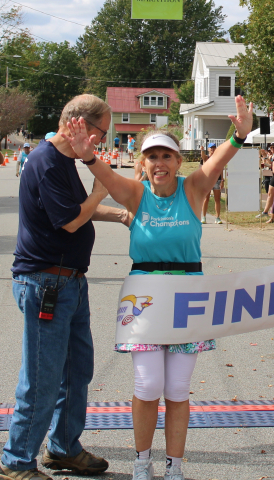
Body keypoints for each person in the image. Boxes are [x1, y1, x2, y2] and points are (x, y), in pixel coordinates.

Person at [61, 96, 253, 480]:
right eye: (152, 157)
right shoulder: (135, 194)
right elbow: (108, 179)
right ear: (143, 164)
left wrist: (240, 135)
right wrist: (87, 157)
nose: (160, 163)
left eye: (167, 156)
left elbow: (220, 160)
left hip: (188, 298)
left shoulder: (194, 189)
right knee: (148, 385)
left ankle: (175, 466)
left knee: (178, 389)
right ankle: (141, 461)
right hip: (144, 298)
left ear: (178, 162)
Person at [1, 94, 131, 480]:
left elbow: (80, 211)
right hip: (46, 283)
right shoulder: (45, 162)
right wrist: (99, 192)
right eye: (101, 133)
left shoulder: (64, 161)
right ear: (78, 125)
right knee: (42, 377)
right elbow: (72, 221)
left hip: (69, 281)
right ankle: (17, 460)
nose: (102, 141)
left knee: (77, 371)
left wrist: (122, 214)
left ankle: (63, 448)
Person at [200, 143, 224, 224]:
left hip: (217, 180)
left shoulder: (218, 158)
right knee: (206, 199)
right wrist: (202, 150)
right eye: (211, 148)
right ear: (208, 149)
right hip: (207, 180)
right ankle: (203, 217)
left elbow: (221, 169)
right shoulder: (207, 158)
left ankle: (217, 217)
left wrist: (222, 180)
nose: (213, 150)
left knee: (217, 199)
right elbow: (203, 156)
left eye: (214, 148)